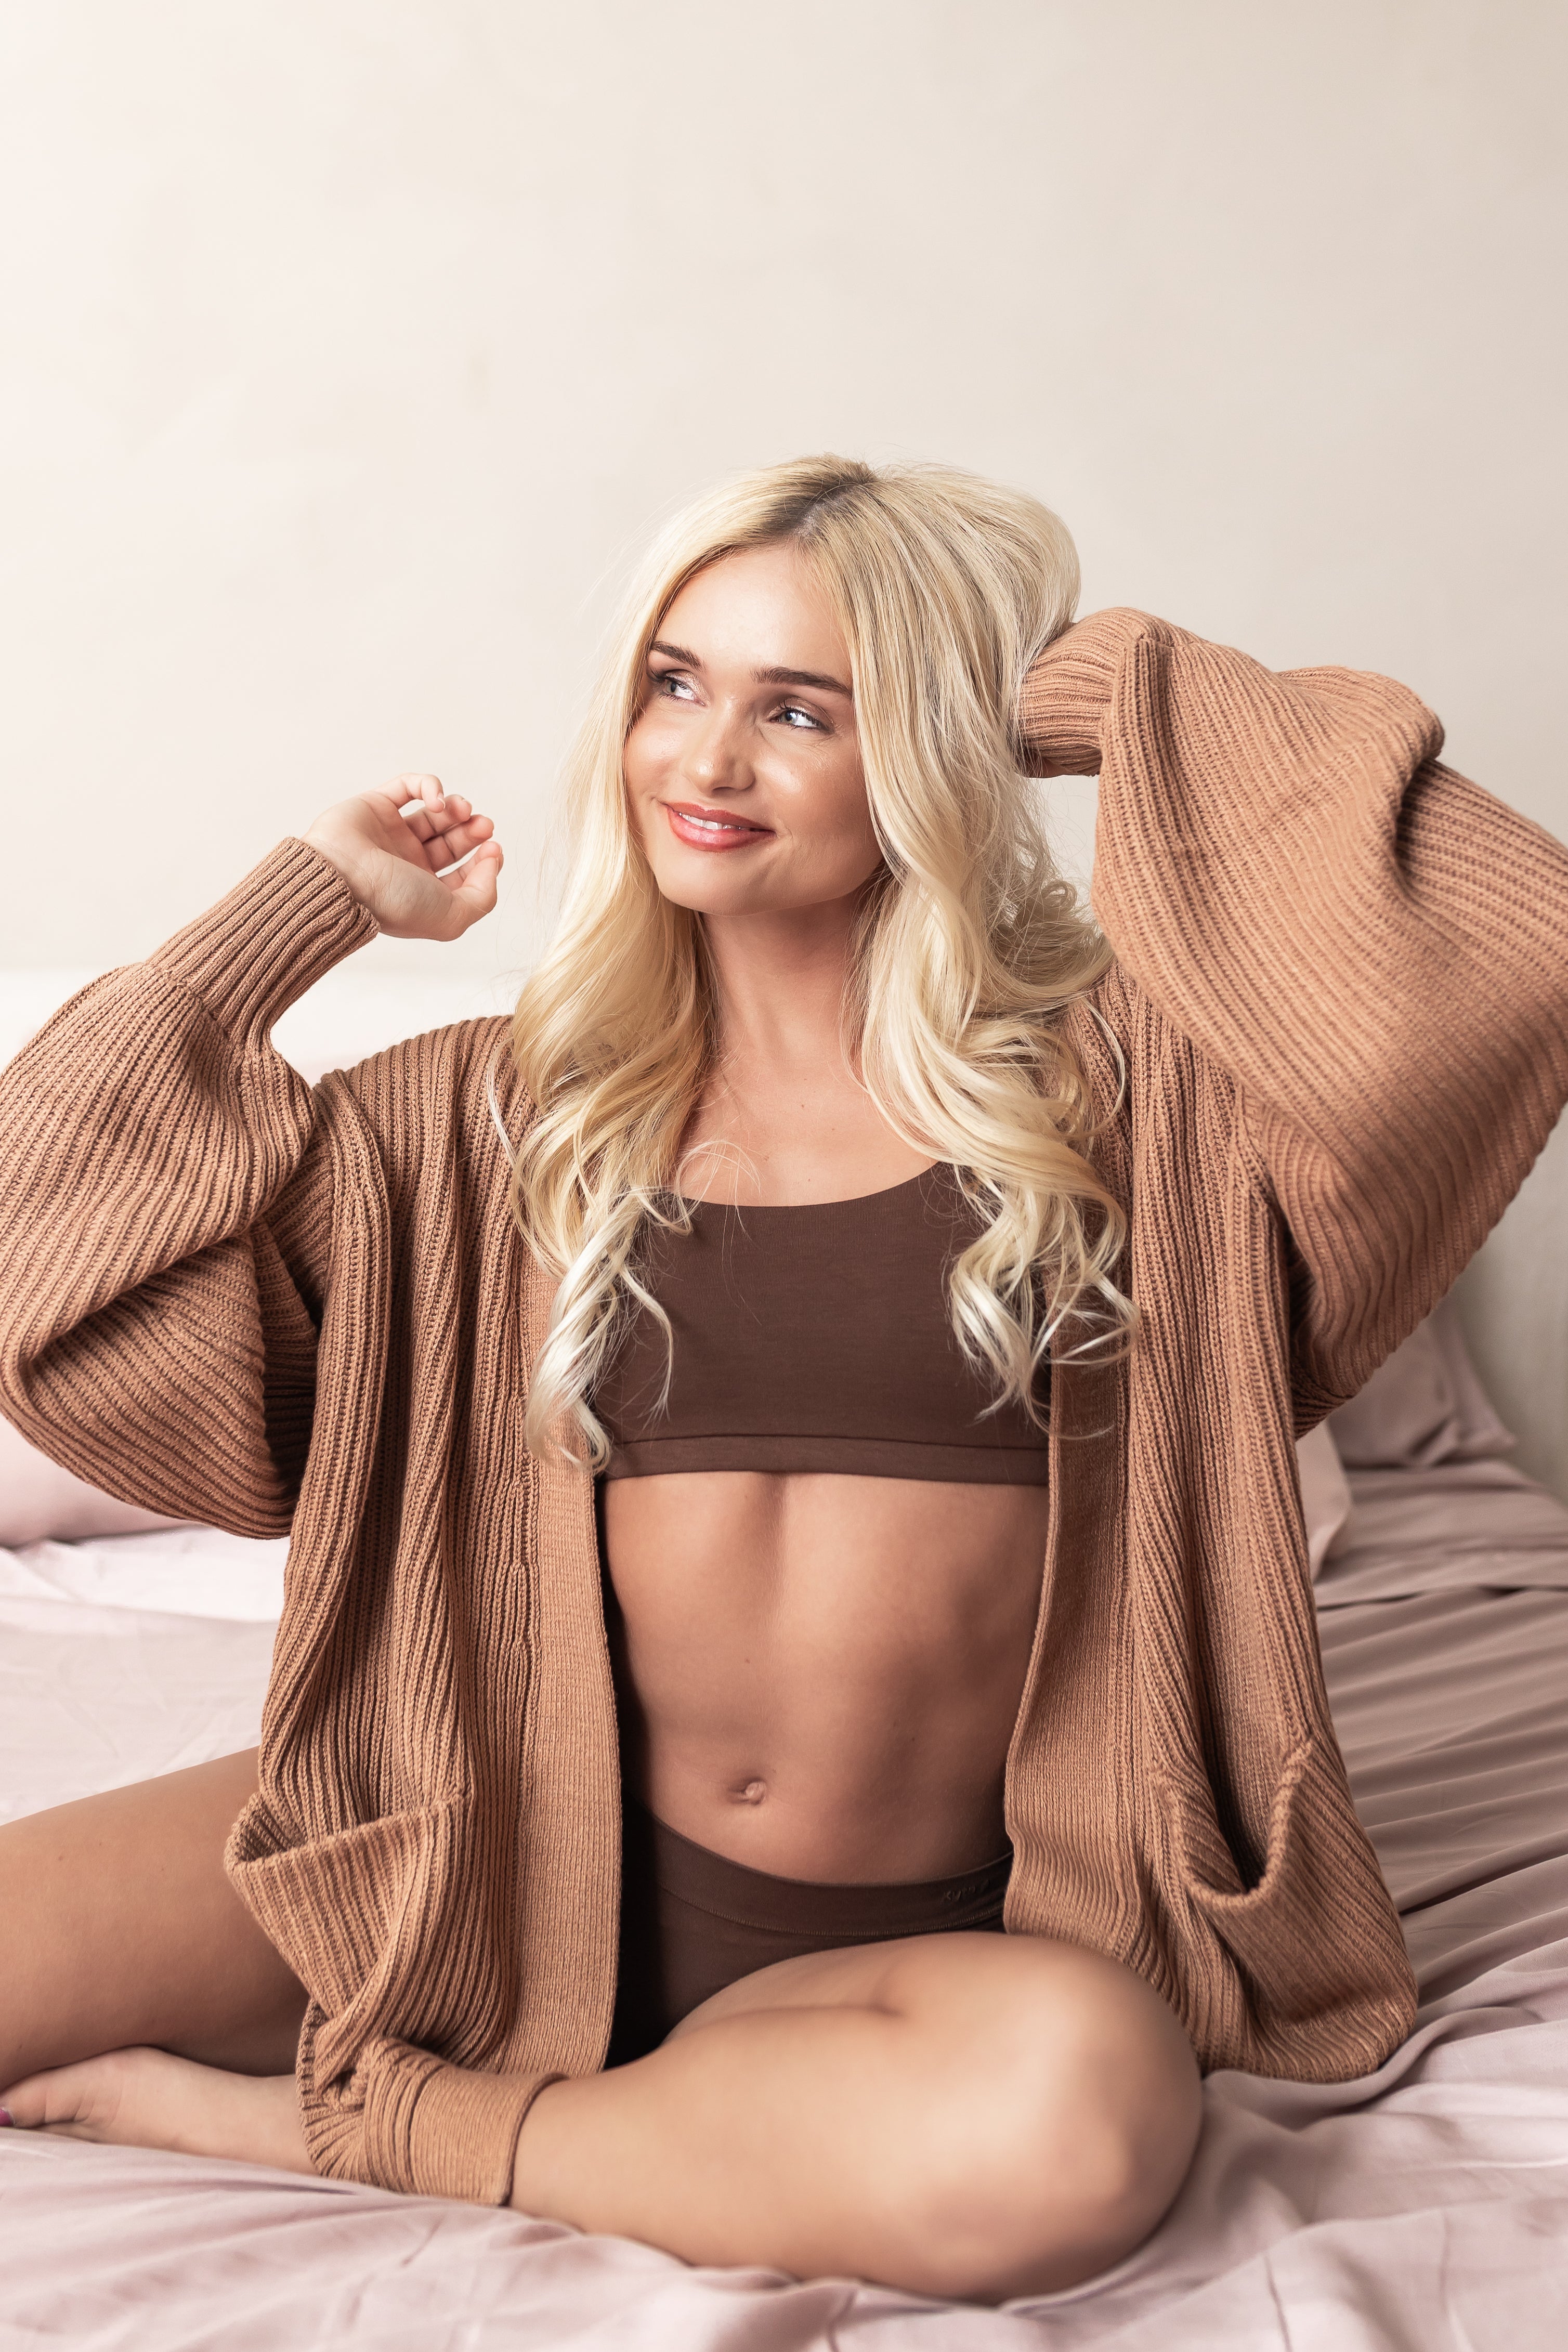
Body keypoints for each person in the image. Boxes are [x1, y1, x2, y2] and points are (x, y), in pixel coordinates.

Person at [2, 456, 1566, 2304]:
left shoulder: (1142, 1116)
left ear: (922, 750)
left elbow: (1502, 943)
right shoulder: (476, 1119)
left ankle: (367, 2124)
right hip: (468, 1850)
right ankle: (585, 2099)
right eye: (675, 682)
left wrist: (1068, 685)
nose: (707, 758)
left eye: (800, 707)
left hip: (934, 1951)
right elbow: (50, 1253)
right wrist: (302, 907)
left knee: (1076, 2119)